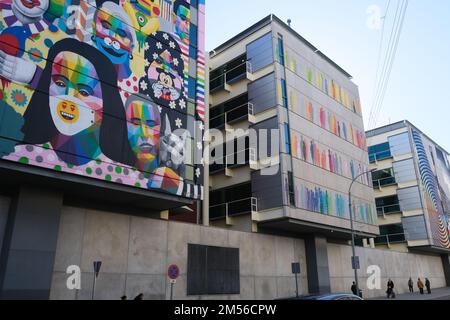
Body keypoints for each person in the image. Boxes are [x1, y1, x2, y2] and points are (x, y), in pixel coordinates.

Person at [18, 38, 135, 167]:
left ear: (106, 102)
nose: (69, 99)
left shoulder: (122, 171)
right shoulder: (20, 153)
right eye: (60, 83)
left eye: (84, 92)